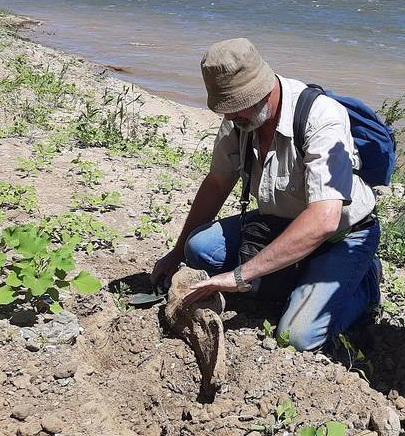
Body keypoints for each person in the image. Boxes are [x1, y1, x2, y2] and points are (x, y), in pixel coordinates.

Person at [151, 38, 381, 351]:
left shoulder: (321, 117)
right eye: (225, 109)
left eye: (235, 106)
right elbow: (217, 182)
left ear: (262, 89)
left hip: (340, 234)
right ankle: (294, 276)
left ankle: (364, 286)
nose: (229, 117)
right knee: (199, 248)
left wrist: (239, 276)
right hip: (280, 221)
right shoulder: (239, 122)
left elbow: (324, 219)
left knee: (297, 337)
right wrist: (176, 252)